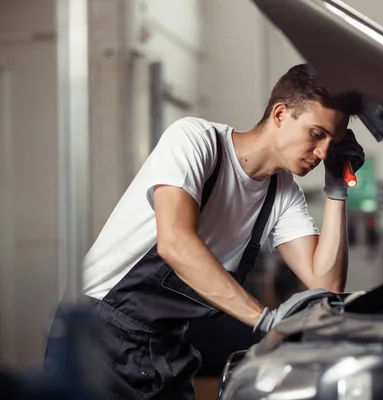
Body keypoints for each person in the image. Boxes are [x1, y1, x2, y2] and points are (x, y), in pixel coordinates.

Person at [45, 63, 365, 399]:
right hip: (101, 336)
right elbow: (176, 243)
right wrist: (264, 318)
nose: (324, 151)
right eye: (317, 134)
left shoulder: (282, 194)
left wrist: (336, 189)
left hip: (167, 348)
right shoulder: (195, 141)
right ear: (281, 114)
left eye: (334, 141)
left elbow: (326, 284)